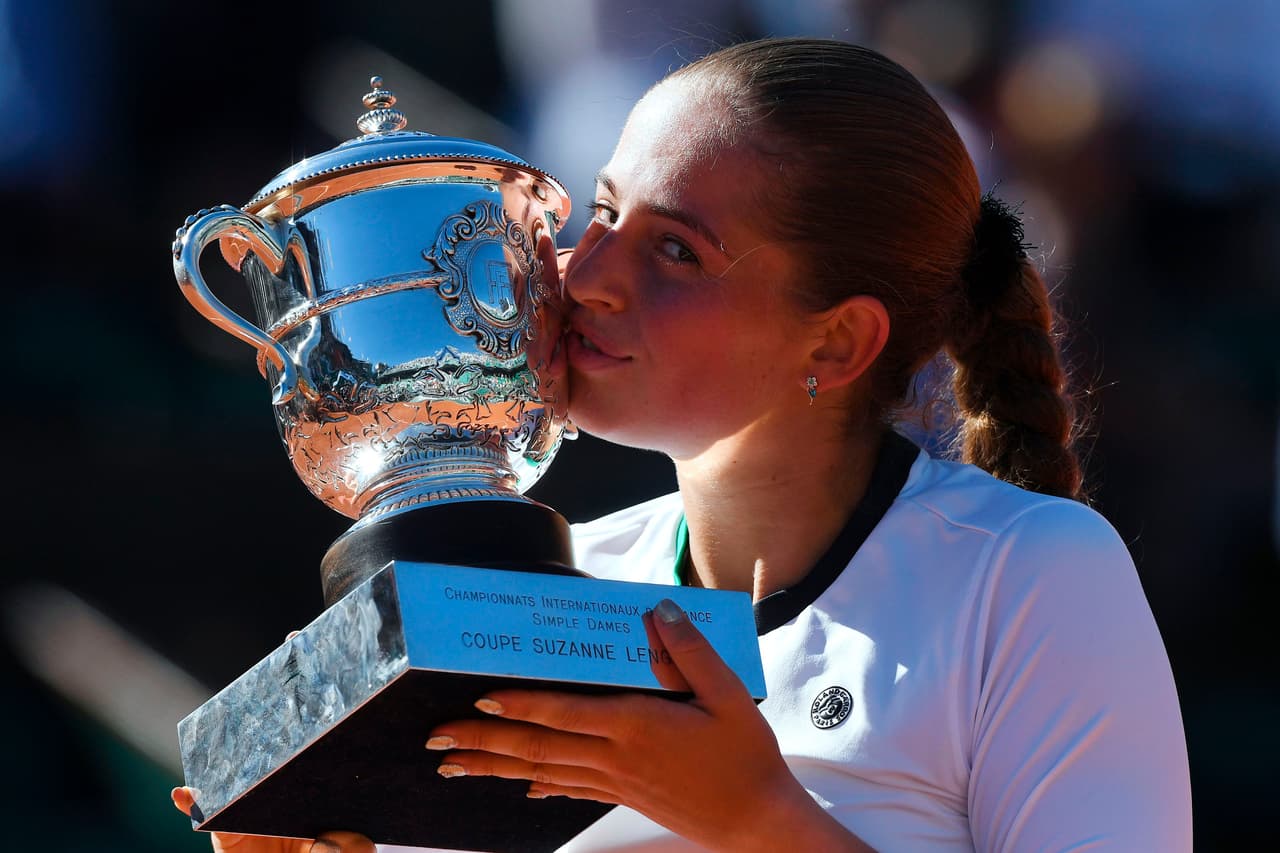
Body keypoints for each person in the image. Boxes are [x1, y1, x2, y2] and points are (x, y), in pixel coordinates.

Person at [172, 36, 1193, 852]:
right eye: (602, 211)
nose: (586, 271)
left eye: (674, 249)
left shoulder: (1031, 572)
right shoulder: (550, 592)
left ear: (833, 341)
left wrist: (756, 821)